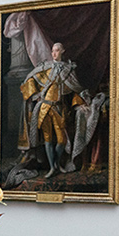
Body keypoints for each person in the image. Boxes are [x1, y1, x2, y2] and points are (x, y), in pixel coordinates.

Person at [18, 42, 89, 178]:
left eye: (57, 50)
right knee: (48, 139)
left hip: (60, 109)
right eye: (52, 51)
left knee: (61, 140)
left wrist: (80, 103)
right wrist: (34, 95)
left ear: (62, 51)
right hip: (44, 108)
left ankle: (56, 164)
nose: (54, 53)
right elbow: (30, 80)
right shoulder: (46, 69)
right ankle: (52, 168)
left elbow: (75, 90)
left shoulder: (68, 70)